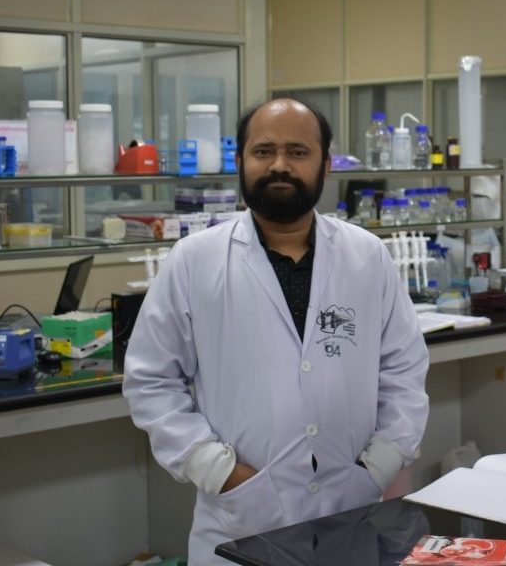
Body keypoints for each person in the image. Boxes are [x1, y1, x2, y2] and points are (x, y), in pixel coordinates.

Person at [124, 98, 429, 565]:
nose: (280, 165)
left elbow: (404, 370)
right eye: (263, 151)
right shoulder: (194, 260)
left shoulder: (366, 256)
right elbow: (150, 380)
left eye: (298, 152)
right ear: (241, 161)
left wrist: (378, 466)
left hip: (351, 509)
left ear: (326, 165)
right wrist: (218, 470)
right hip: (243, 520)